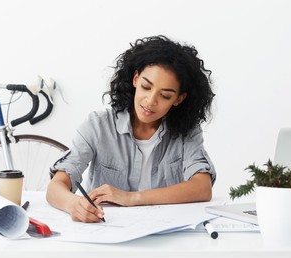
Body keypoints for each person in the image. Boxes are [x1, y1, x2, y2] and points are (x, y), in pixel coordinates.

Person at [46, 35, 216, 223]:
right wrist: (73, 205)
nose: (150, 101)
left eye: (165, 96)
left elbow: (202, 187)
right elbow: (56, 187)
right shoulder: (98, 126)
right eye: (146, 87)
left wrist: (131, 198)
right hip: (106, 231)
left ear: (179, 99)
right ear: (135, 79)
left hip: (164, 233)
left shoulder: (187, 132)